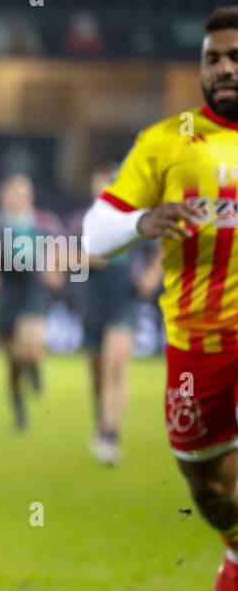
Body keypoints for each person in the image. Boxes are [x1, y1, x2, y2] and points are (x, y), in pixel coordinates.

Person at [84, 4, 238, 591]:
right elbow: (95, 233)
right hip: (196, 343)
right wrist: (142, 221)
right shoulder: (167, 141)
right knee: (210, 489)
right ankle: (233, 548)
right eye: (213, 59)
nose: (224, 68)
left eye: (235, 57)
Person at [70, 165, 162, 465]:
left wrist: (150, 277)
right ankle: (102, 421)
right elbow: (61, 255)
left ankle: (110, 434)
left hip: (126, 299)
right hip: (93, 302)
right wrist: (84, 259)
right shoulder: (81, 222)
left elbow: (164, 249)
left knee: (115, 367)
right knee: (97, 371)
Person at [0, 173, 66, 431]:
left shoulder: (44, 224)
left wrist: (55, 270)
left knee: (31, 345)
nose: (17, 198)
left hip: (34, 295)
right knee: (12, 361)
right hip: (8, 298)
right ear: (4, 197)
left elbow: (59, 249)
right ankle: (18, 411)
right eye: (13, 193)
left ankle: (35, 367)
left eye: (22, 193)